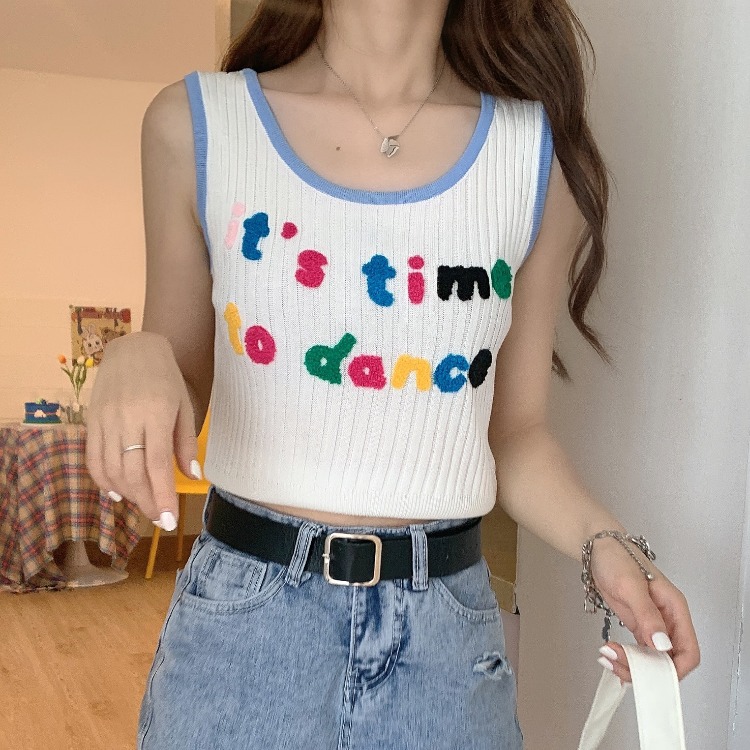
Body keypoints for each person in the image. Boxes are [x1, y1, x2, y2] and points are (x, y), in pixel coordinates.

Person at [86, 1, 701, 748]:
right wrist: (133, 354)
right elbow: (179, 378)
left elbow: (516, 435)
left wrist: (606, 544)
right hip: (244, 640)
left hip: (445, 648)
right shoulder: (195, 126)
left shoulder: (535, 158)